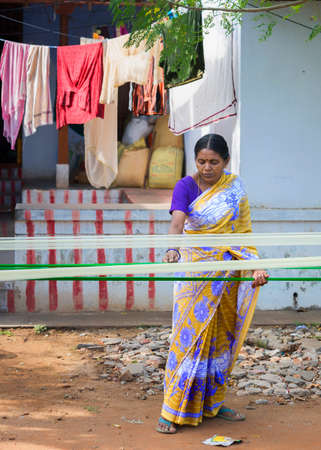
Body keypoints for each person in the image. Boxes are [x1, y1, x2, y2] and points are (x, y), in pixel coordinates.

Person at [157, 133, 268, 434]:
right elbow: (177, 222)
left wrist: (255, 265)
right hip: (195, 273)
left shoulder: (235, 188)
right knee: (187, 340)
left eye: (214, 162)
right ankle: (172, 409)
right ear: (195, 161)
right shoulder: (186, 186)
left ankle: (212, 403)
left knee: (220, 338)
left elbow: (243, 232)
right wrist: (172, 248)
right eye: (202, 161)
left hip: (228, 273)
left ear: (226, 162)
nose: (207, 167)